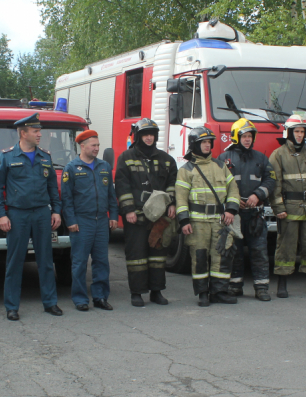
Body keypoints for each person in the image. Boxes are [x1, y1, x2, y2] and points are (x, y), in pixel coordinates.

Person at [0, 113, 63, 321]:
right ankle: (12, 306)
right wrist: (1, 215)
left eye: (39, 131)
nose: (39, 134)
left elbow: (52, 187)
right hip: (17, 214)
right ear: (23, 133)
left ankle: (50, 302)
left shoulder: (45, 156)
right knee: (15, 261)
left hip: (41, 213)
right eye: (35, 131)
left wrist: (56, 210)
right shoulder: (6, 156)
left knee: (46, 260)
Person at [114, 118, 177, 307]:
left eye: (152, 134)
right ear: (138, 136)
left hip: (159, 217)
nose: (149, 138)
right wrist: (128, 210)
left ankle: (156, 292)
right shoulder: (126, 157)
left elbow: (172, 185)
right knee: (136, 255)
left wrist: (172, 204)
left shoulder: (167, 160)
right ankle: (137, 293)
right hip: (136, 216)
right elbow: (122, 186)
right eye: (145, 134)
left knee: (157, 256)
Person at [175, 126, 240, 307]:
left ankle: (219, 292)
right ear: (194, 145)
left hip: (219, 221)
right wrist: (184, 221)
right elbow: (180, 197)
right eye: (203, 142)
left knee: (221, 257)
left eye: (209, 142)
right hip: (197, 224)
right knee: (200, 257)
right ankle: (203, 293)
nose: (207, 145)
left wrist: (231, 210)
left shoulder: (220, 166)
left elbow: (233, 189)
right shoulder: (186, 170)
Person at [269, 114, 306, 297]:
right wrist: (279, 208)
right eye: (296, 131)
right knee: (286, 247)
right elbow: (275, 186)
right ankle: (282, 284)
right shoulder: (278, 155)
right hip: (289, 208)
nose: (299, 135)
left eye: (302, 132)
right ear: (288, 132)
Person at [218, 118, 276, 301]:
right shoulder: (223, 159)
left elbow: (271, 180)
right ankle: (235, 286)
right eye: (244, 136)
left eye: (250, 136)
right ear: (236, 136)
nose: (247, 139)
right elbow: (218, 185)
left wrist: (258, 195)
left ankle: (261, 288)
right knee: (233, 252)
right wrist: (233, 202)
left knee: (259, 251)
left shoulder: (261, 158)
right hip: (233, 214)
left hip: (254, 214)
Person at [61, 130, 118, 311]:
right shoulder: (71, 168)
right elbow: (67, 199)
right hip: (81, 221)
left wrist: (113, 216)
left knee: (101, 261)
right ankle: (80, 299)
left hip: (101, 221)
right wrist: (70, 220)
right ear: (82, 146)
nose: (97, 148)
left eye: (98, 145)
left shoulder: (104, 166)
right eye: (93, 145)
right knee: (79, 262)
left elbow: (111, 195)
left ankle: (100, 297)